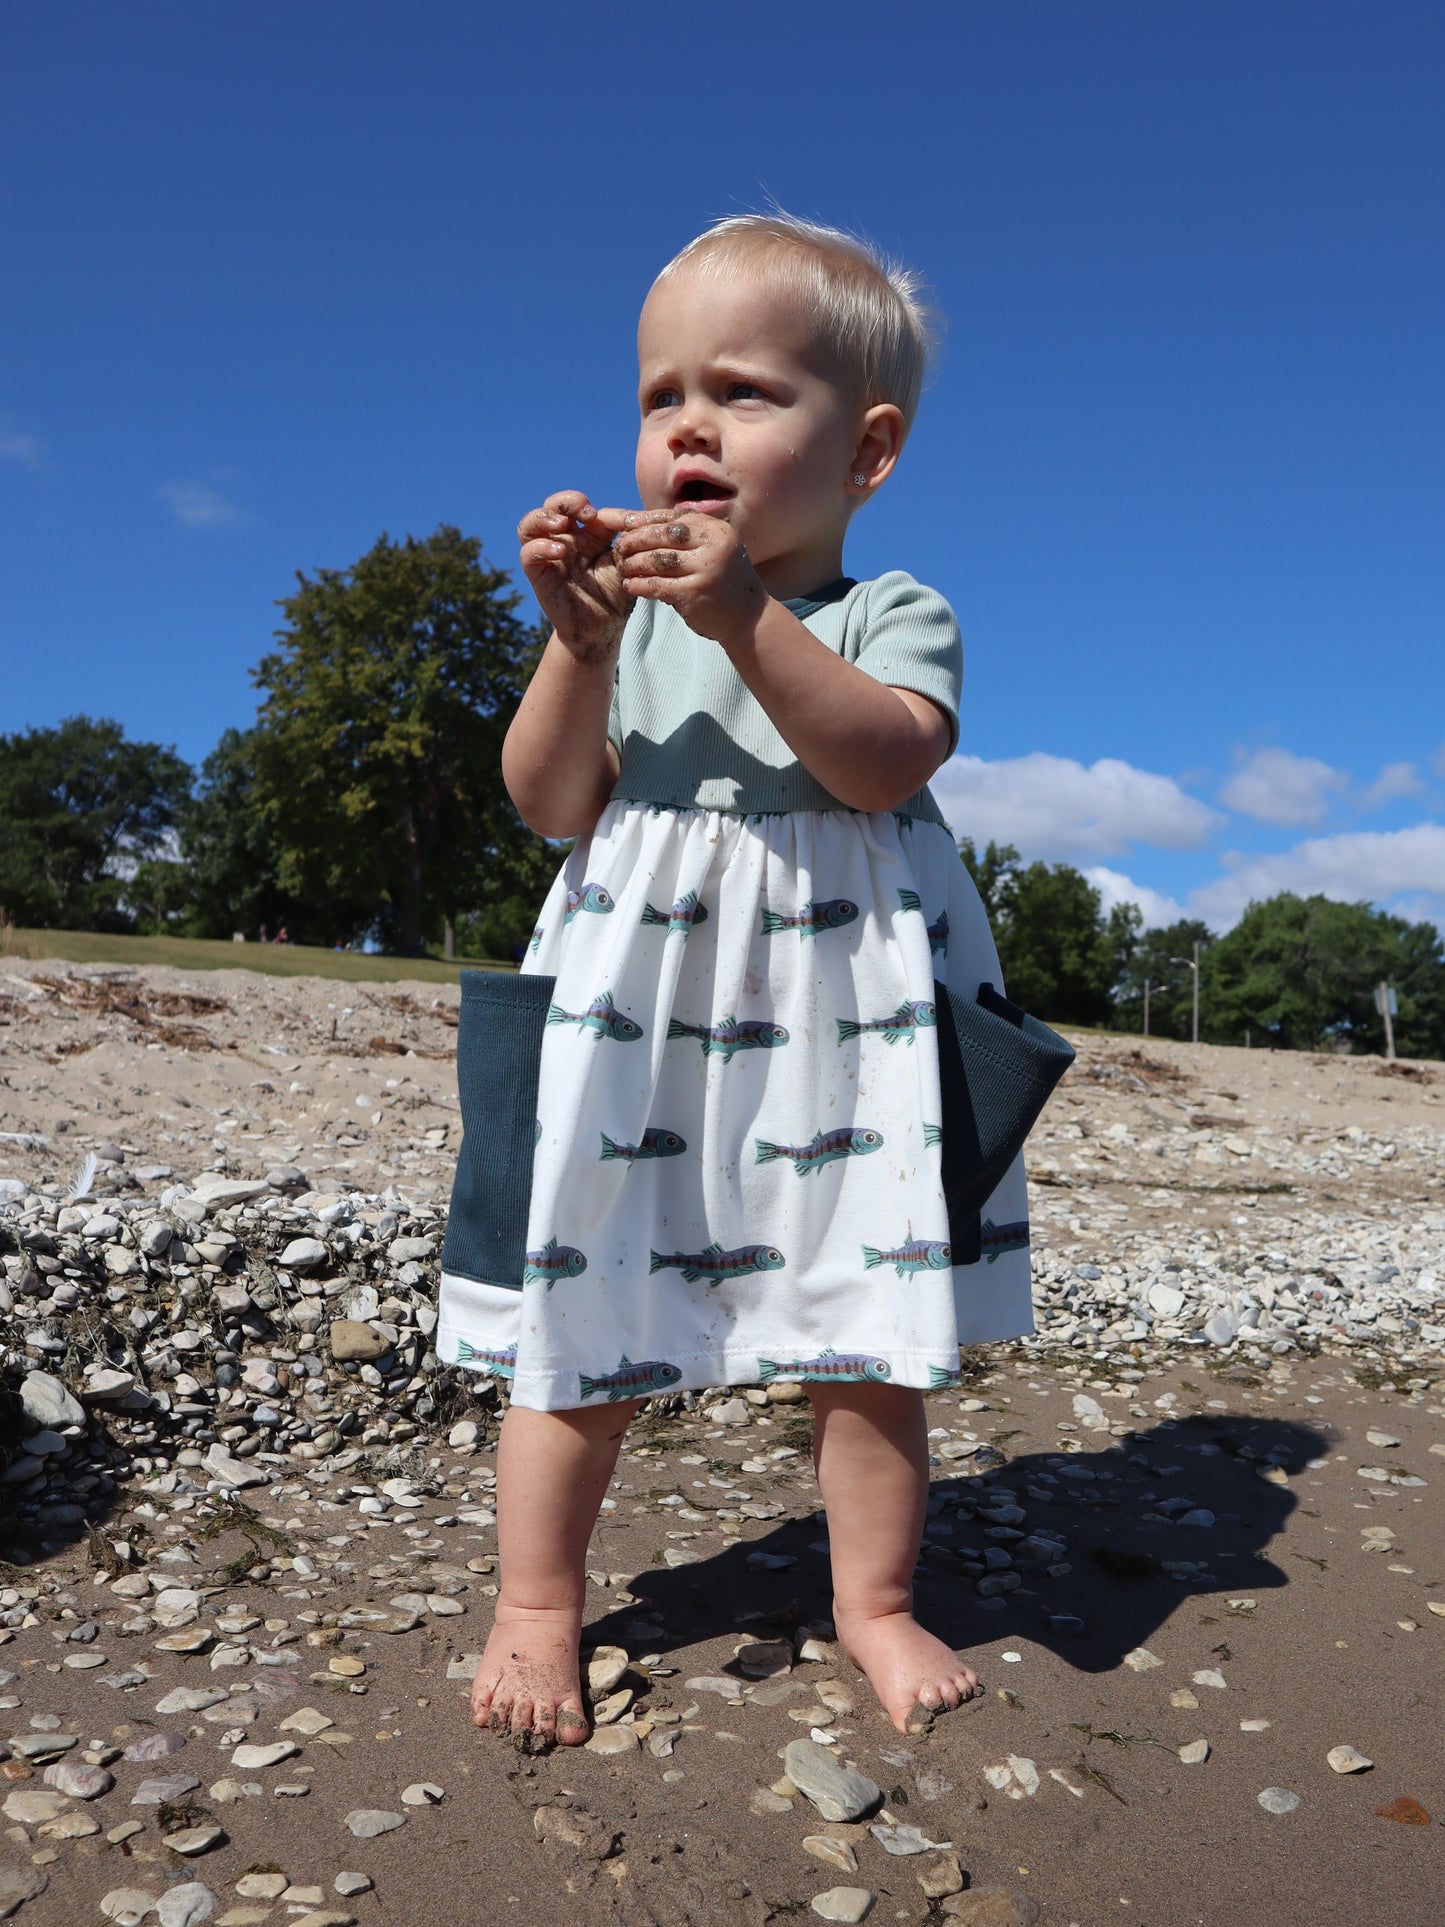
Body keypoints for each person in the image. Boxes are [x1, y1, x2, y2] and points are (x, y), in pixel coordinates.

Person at [437, 212, 1035, 1752]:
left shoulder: (882, 612)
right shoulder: (627, 626)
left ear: (868, 449)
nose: (686, 425)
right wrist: (573, 644)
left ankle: (875, 1603)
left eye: (746, 392)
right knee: (583, 1302)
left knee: (867, 1332)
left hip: (841, 1033)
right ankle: (536, 1605)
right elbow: (550, 803)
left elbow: (879, 757)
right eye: (658, 395)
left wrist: (745, 618)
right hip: (643, 1023)